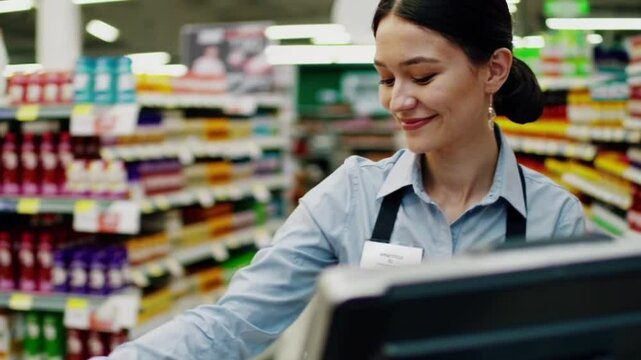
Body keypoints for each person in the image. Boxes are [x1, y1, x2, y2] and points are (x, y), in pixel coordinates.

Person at [100, 0, 585, 358]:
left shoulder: (553, 216)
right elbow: (232, 325)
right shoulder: (351, 196)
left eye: (421, 77)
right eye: (387, 78)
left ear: (493, 71)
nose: (397, 101)